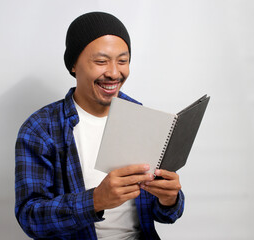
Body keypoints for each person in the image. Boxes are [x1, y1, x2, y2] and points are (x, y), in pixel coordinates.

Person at [15, 12, 184, 240]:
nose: (114, 73)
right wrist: (95, 200)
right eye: (101, 61)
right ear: (74, 64)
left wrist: (169, 198)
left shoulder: (140, 117)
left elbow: (165, 214)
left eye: (122, 61)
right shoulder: (41, 128)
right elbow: (30, 218)